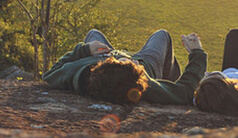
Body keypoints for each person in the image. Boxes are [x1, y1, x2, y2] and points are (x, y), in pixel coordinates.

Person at [43, 29, 206, 105]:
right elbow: (185, 91)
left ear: (106, 65)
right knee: (162, 35)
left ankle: (97, 49)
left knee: (93, 34)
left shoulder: (75, 71)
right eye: (135, 66)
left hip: (101, 53)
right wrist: (197, 52)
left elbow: (50, 74)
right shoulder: (143, 84)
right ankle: (165, 79)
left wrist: (85, 49)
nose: (133, 62)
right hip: (148, 63)